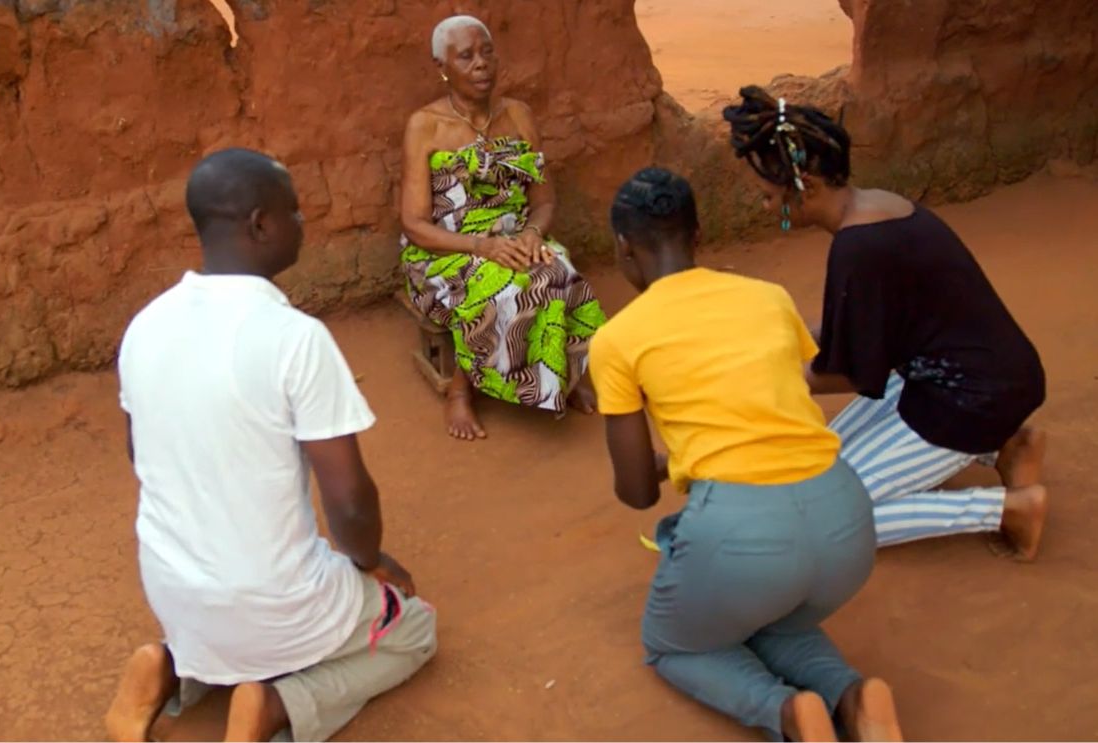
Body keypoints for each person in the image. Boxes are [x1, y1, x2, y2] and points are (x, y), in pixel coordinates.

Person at [105, 149, 436, 743]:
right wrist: (371, 565)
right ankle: (279, 705)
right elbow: (350, 501)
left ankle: (170, 667)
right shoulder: (294, 339)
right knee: (413, 630)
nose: (305, 224)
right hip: (271, 603)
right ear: (260, 224)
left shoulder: (145, 325)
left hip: (173, 594)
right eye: (295, 213)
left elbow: (142, 459)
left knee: (240, 616)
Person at [591, 167, 902, 742]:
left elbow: (635, 492)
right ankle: (853, 696)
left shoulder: (617, 339)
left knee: (673, 645)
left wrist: (665, 457)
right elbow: (775, 399)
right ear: (699, 235)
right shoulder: (768, 298)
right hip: (846, 522)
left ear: (622, 248)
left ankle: (786, 711)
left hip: (744, 538)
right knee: (769, 618)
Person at [723, 86, 1049, 559]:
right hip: (970, 377)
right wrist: (776, 345)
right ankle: (1006, 446)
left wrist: (766, 382)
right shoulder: (876, 207)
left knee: (828, 516)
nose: (767, 208)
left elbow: (852, 372)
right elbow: (853, 332)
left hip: (969, 400)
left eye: (770, 197)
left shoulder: (859, 249)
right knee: (820, 465)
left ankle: (1008, 509)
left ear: (806, 187)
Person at [399, 15, 608, 440]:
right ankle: (461, 390)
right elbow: (414, 224)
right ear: (442, 66)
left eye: (487, 52)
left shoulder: (519, 116)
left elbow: (544, 200)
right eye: (466, 56)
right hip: (446, 249)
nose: (481, 64)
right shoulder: (425, 126)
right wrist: (482, 246)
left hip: (515, 235)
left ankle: (563, 378)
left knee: (558, 272)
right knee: (502, 286)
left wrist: (532, 235)